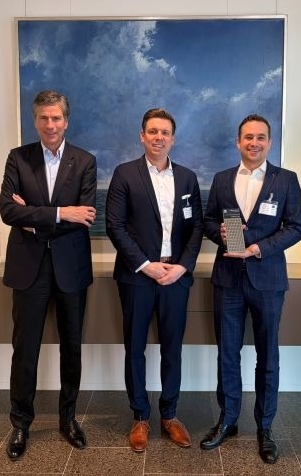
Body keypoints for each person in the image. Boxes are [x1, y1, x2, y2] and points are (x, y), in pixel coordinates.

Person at [0, 90, 97, 460]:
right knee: (25, 349)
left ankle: (67, 419)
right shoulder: (18, 158)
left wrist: (33, 218)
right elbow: (7, 211)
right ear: (35, 120)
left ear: (66, 121)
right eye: (44, 118)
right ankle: (20, 423)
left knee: (72, 348)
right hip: (29, 269)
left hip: (71, 268)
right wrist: (60, 213)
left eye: (56, 118)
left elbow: (85, 216)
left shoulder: (85, 161)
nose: (50, 125)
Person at [200, 114, 301, 464]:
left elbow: (295, 227)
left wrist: (257, 247)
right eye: (248, 137)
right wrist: (224, 235)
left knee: (267, 356)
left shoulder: (286, 180)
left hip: (268, 279)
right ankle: (228, 419)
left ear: (269, 143)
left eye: (261, 137)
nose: (254, 143)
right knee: (227, 354)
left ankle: (265, 427)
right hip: (228, 279)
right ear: (238, 142)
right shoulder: (221, 179)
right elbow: (208, 222)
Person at [106, 108, 203, 453]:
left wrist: (182, 267)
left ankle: (170, 415)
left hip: (175, 277)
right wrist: (146, 266)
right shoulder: (124, 174)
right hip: (137, 277)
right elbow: (115, 226)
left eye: (164, 132)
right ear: (142, 136)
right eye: (152, 131)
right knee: (135, 348)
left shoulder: (188, 178)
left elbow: (196, 228)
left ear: (172, 139)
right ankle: (140, 417)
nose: (158, 137)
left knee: (172, 349)